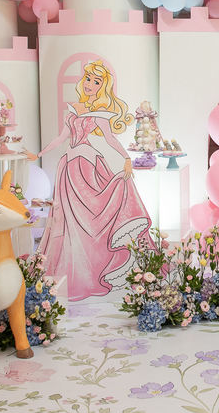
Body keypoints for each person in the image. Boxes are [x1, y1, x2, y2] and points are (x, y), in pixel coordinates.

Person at [26, 60, 153, 300]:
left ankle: (96, 267)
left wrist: (126, 158)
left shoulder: (99, 114)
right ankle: (73, 267)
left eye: (96, 82)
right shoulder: (73, 110)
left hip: (87, 165)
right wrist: (38, 154)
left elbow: (110, 139)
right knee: (69, 219)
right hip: (68, 169)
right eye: (88, 79)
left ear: (102, 87)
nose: (89, 84)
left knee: (91, 214)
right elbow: (61, 138)